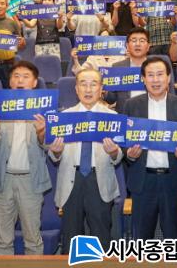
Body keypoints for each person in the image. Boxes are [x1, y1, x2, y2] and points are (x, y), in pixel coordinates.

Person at [48, 68, 122, 253]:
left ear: (101, 89)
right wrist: (55, 152)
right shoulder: (63, 118)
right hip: (71, 179)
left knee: (102, 237)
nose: (88, 89)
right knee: (71, 238)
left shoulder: (113, 117)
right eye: (83, 84)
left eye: (93, 84)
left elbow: (119, 156)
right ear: (76, 89)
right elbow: (54, 155)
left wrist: (114, 152)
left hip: (100, 180)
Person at [123, 57, 177, 240]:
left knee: (174, 238)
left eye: (160, 74)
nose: (155, 80)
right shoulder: (131, 106)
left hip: (173, 180)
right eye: (150, 75)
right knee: (141, 240)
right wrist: (130, 155)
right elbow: (123, 143)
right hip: (143, 181)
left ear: (169, 77)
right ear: (143, 79)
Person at [0, 61, 51, 255]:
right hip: (4, 179)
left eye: (25, 76)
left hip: (31, 180)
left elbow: (49, 147)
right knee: (2, 240)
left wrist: (42, 132)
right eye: (16, 76)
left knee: (33, 239)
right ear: (10, 82)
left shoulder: (45, 110)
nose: (20, 80)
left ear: (35, 82)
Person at [104, 27, 150, 113]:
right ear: (127, 46)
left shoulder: (156, 67)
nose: (137, 44)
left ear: (148, 46)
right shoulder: (117, 67)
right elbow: (110, 99)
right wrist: (106, 87)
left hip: (150, 115)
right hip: (125, 115)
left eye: (142, 41)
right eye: (134, 40)